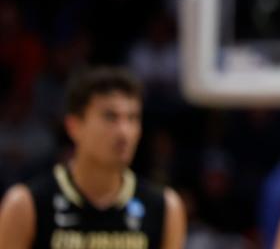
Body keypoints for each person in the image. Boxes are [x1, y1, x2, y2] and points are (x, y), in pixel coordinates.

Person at [0, 66, 186, 248]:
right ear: (73, 126)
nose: (124, 132)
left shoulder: (165, 207)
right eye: (110, 117)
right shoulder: (26, 205)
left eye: (132, 118)